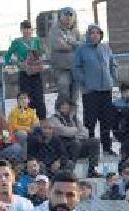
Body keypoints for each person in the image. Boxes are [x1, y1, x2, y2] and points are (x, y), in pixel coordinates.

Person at [72, 23, 118, 156]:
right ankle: (90, 150)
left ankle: (107, 148)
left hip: (106, 90)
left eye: (97, 33)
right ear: (87, 35)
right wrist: (85, 81)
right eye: (92, 33)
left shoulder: (105, 48)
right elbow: (76, 68)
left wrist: (113, 78)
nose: (94, 35)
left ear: (101, 35)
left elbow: (113, 63)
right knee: (90, 122)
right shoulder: (81, 50)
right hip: (90, 91)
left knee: (106, 121)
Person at [5, 20, 47, 119]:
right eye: (25, 28)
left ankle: (41, 120)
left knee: (39, 97)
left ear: (32, 29)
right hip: (24, 73)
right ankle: (26, 119)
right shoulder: (17, 42)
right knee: (25, 97)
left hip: (36, 73)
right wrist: (16, 63)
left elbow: (43, 53)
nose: (27, 31)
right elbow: (7, 56)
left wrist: (40, 59)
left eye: (29, 28)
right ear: (21, 30)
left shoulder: (36, 40)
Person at [50, 97, 101, 177]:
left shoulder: (74, 118)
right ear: (58, 106)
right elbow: (63, 131)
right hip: (64, 148)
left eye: (67, 105)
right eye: (63, 105)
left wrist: (74, 133)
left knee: (95, 141)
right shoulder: (54, 119)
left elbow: (85, 132)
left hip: (77, 143)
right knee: (75, 143)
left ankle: (92, 170)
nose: (66, 107)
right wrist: (75, 131)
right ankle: (70, 170)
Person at [47, 7, 83, 109]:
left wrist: (70, 43)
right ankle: (61, 117)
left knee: (75, 95)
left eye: (71, 15)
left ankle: (73, 118)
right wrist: (74, 45)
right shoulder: (55, 30)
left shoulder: (76, 31)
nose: (68, 18)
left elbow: (82, 45)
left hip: (75, 68)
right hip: (61, 68)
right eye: (66, 15)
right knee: (64, 93)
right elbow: (59, 45)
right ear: (61, 17)